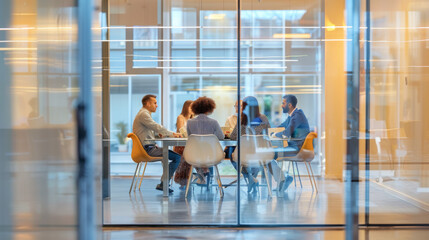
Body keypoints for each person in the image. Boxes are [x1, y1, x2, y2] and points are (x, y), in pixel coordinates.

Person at [132, 94, 182, 193]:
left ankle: (164, 183)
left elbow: (154, 131)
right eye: (155, 103)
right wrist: (173, 134)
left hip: (148, 147)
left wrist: (161, 135)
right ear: (147, 103)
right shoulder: (143, 114)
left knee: (167, 155)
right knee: (177, 157)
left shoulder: (144, 114)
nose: (157, 105)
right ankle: (164, 184)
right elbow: (156, 127)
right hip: (148, 149)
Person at [269, 94, 310, 192]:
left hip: (298, 149)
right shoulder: (293, 115)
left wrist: (274, 134)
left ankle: (283, 179)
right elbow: (282, 126)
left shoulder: (297, 115)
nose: (281, 105)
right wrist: (270, 130)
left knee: (268, 154)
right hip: (294, 146)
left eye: (283, 103)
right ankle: (284, 178)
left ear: (290, 105)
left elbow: (287, 132)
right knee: (270, 153)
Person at [229, 96, 270, 193]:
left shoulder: (242, 119)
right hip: (260, 153)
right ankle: (253, 178)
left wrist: (242, 135)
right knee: (251, 160)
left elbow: (233, 136)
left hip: (245, 154)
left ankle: (251, 178)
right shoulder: (263, 118)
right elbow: (267, 134)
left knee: (235, 157)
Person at [186, 96, 224, 185]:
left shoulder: (189, 122)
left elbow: (190, 137)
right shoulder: (214, 122)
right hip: (211, 155)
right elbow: (221, 137)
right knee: (208, 150)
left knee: (197, 151)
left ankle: (202, 173)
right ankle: (205, 172)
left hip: (194, 155)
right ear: (209, 108)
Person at [173, 100, 194, 189]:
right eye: (191, 107)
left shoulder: (193, 119)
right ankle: (184, 181)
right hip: (181, 145)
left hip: (191, 144)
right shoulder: (180, 117)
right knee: (186, 156)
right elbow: (181, 131)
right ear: (186, 107)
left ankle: (202, 176)